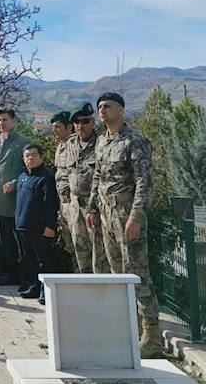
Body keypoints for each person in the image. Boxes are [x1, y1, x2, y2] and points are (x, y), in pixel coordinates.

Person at [85, 92, 162, 358]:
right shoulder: (102, 141)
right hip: (106, 213)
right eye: (99, 107)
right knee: (117, 273)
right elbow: (97, 176)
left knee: (137, 273)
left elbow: (144, 182)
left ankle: (152, 337)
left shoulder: (134, 141)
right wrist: (92, 207)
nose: (102, 110)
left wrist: (136, 217)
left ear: (121, 110)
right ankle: (130, 329)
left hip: (126, 213)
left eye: (107, 106)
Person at [0, 107, 30, 286]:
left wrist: (15, 182)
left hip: (13, 199)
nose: (1, 123)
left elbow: (28, 170)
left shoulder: (22, 143)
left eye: (5, 120)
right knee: (2, 239)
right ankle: (5, 271)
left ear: (13, 121)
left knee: (15, 239)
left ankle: (19, 273)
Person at [66, 104, 111, 274]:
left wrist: (94, 206)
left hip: (95, 207)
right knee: (79, 250)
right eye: (76, 122)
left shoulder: (101, 143)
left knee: (99, 254)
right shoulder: (69, 144)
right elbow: (63, 171)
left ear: (93, 122)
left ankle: (101, 294)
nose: (80, 125)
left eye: (84, 121)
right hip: (75, 205)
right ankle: (84, 292)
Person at [14, 144, 58, 301]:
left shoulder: (46, 178)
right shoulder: (22, 177)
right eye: (27, 156)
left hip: (39, 228)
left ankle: (45, 292)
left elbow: (50, 204)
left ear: (41, 157)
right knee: (29, 259)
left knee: (43, 261)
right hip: (22, 225)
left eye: (34, 155)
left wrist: (50, 226)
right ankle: (33, 286)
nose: (30, 158)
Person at [50, 111, 77, 270]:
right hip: (64, 203)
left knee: (82, 247)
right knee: (70, 246)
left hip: (75, 204)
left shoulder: (74, 145)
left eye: (58, 127)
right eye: (53, 127)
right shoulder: (61, 146)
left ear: (69, 127)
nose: (54, 130)